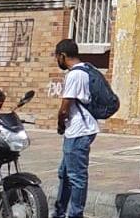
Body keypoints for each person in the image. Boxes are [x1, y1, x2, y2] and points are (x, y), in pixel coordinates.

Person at [53, 39, 99, 218]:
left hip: (79, 130)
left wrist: (60, 123)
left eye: (57, 57)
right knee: (64, 173)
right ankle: (60, 211)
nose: (57, 61)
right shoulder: (86, 68)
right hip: (80, 128)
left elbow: (65, 106)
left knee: (76, 177)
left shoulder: (74, 75)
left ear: (62, 56)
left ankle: (75, 214)